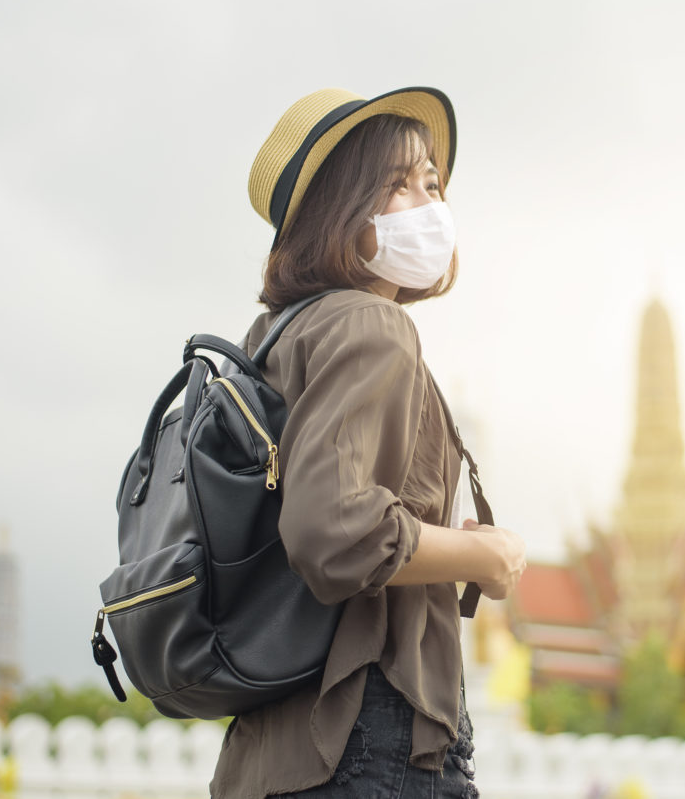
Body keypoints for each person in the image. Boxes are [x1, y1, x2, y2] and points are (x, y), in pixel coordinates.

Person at [210, 87, 526, 799]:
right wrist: (485, 555)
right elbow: (333, 533)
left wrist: (431, 543)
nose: (429, 204)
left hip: (277, 745)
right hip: (369, 744)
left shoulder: (275, 337)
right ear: (339, 213)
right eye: (395, 185)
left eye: (432, 183)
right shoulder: (370, 327)